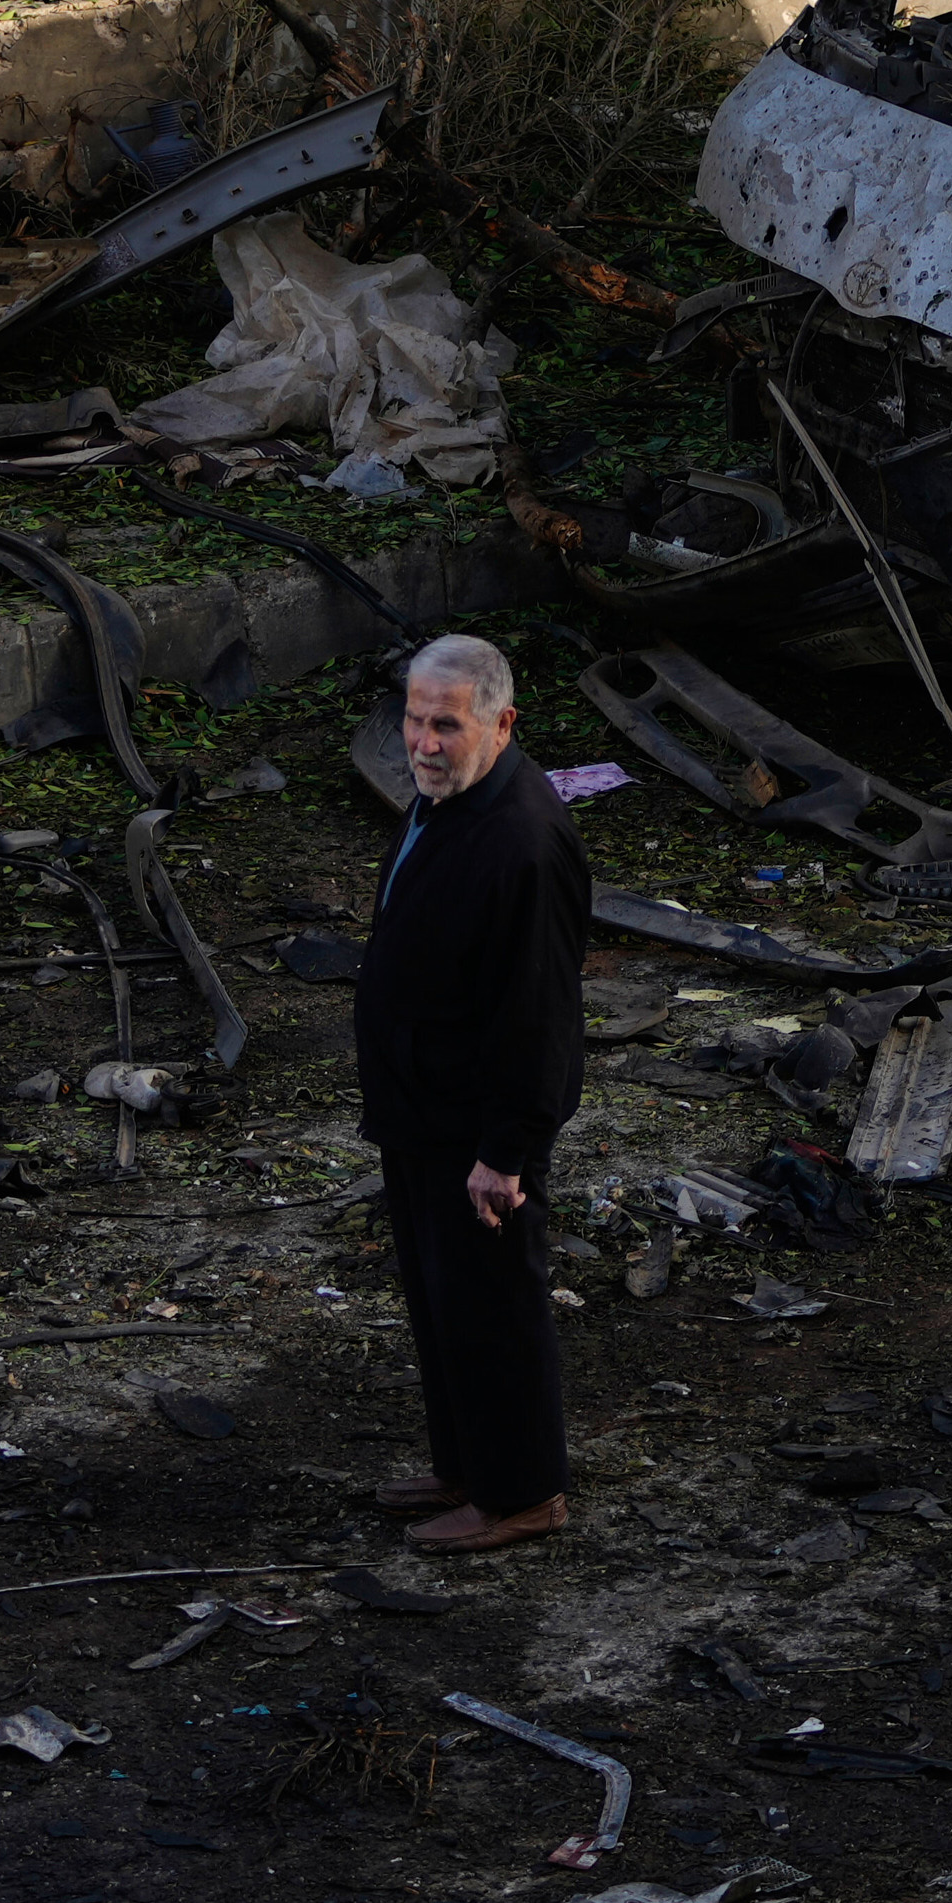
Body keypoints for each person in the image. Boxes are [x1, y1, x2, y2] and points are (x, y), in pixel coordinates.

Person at [349, 631, 590, 1552]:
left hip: (476, 1124)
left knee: (492, 1305)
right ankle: (467, 1466)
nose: (423, 743)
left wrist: (507, 1149)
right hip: (422, 1106)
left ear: (501, 724)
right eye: (414, 720)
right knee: (441, 1294)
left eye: (446, 725)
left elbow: (538, 1015)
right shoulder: (444, 802)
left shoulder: (522, 842)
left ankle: (524, 1492)